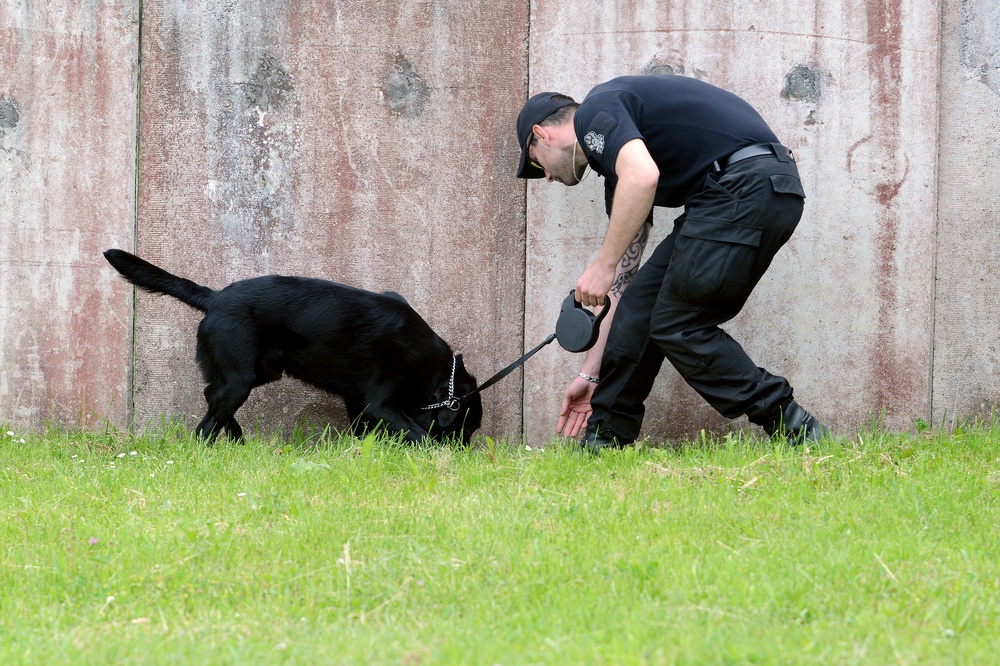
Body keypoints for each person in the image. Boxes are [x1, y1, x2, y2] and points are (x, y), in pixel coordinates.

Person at [515, 74, 829, 452]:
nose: (546, 177)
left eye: (536, 165)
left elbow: (645, 177)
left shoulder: (596, 111)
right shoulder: (618, 166)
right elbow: (621, 288)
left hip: (745, 186)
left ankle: (794, 424)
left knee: (678, 323)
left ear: (541, 134)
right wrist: (591, 372)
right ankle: (605, 438)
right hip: (730, 194)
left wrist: (602, 264)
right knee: (642, 308)